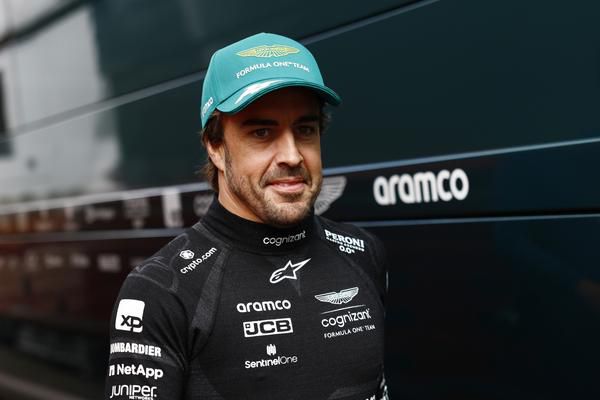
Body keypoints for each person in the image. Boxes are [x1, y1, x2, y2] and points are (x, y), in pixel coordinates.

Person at [105, 32, 389, 400]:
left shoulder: (362, 253)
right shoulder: (161, 291)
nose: (292, 156)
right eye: (262, 132)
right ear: (216, 147)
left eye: (305, 129)